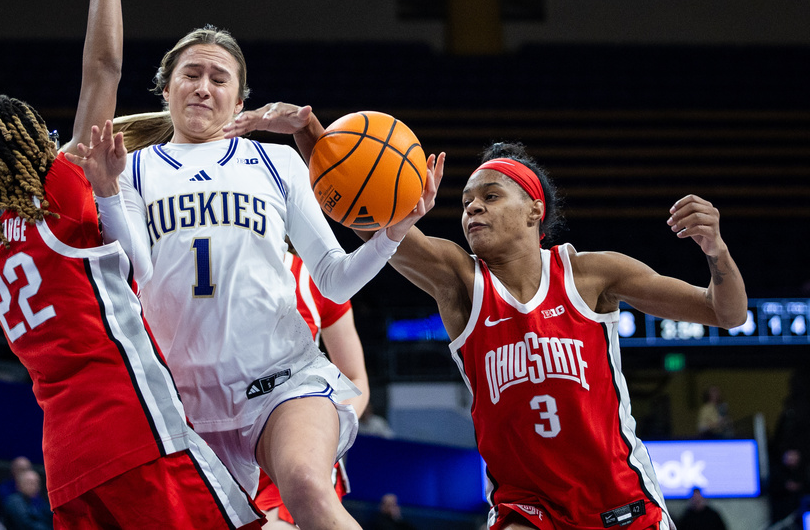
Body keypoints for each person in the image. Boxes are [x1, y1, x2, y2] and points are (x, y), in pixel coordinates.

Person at [226, 104, 748, 530]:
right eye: (467, 200)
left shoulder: (594, 275)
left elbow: (727, 313)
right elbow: (374, 214)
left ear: (533, 210)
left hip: (619, 501)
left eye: (490, 197)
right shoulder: (461, 281)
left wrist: (716, 250)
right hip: (528, 507)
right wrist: (316, 140)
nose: (472, 208)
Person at [0, 0, 262, 530]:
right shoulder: (58, 192)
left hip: (65, 459)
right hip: (133, 427)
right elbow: (103, 70)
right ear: (32, 150)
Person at [99, 26, 438, 530]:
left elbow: (334, 280)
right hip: (184, 403)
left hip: (281, 380)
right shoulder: (132, 168)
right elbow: (136, 273)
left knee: (306, 486)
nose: (203, 87)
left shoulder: (276, 161)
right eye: (191, 74)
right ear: (166, 86)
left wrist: (391, 234)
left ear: (239, 98)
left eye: (219, 78)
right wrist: (106, 193)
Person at [254, 248, 371, 528]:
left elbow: (356, 379)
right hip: (218, 444)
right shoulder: (186, 266)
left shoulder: (314, 279)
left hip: (291, 440)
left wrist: (322, 437)